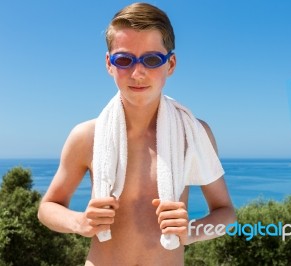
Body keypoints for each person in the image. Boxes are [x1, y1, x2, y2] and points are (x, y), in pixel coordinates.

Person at [37, 2, 236, 265]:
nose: (138, 72)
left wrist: (192, 232)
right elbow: (47, 208)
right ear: (109, 64)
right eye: (124, 59)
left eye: (152, 59)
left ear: (171, 64)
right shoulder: (86, 136)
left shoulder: (193, 133)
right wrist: (80, 222)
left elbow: (226, 214)